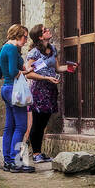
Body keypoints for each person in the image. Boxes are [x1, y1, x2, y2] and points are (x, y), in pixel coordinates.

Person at [24, 23, 75, 164]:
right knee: (37, 122)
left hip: (50, 89)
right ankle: (36, 153)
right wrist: (46, 78)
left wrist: (70, 68)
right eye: (44, 30)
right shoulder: (34, 53)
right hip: (38, 90)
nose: (48, 30)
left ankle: (39, 152)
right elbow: (29, 74)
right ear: (40, 36)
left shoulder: (52, 49)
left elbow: (57, 68)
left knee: (44, 121)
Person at [0, 23, 35, 173]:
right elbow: (13, 72)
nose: (26, 40)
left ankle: (8, 160)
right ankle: (16, 161)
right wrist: (26, 71)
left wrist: (17, 70)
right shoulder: (12, 49)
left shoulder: (2, 49)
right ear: (18, 36)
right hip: (15, 89)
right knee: (21, 126)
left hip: (6, 89)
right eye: (25, 37)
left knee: (9, 127)